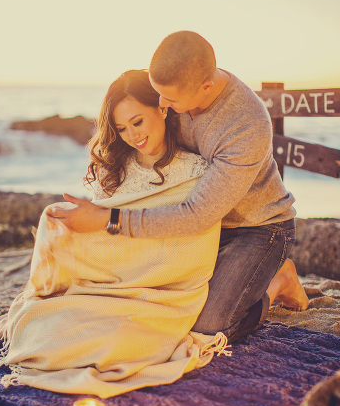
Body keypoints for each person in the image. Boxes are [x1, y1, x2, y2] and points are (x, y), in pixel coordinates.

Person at [0, 69, 226, 397]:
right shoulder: (117, 169)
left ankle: (8, 325)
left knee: (121, 342)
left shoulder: (198, 174)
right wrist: (64, 226)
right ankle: (7, 325)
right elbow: (105, 241)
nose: (132, 135)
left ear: (162, 108)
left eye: (137, 122)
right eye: (121, 128)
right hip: (102, 289)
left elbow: (193, 250)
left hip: (163, 297)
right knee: (46, 319)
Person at [50, 31, 308, 342]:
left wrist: (110, 219)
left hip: (256, 227)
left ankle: (278, 282)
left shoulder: (246, 126)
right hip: (194, 224)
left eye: (170, 100)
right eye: (159, 94)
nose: (162, 104)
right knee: (150, 303)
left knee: (207, 324)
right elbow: (139, 121)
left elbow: (196, 215)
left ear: (206, 87)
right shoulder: (174, 88)